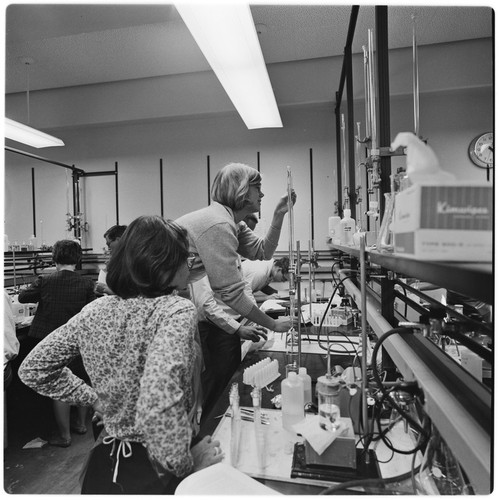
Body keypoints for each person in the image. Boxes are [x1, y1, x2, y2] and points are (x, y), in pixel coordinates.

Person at [19, 216, 223, 494]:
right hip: (156, 470)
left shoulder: (95, 311)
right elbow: (160, 394)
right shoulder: (175, 310)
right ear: (163, 264)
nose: (189, 265)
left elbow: (34, 368)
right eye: (185, 257)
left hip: (106, 465)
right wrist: (187, 467)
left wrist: (93, 399)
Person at [176, 162, 297, 416]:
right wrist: (273, 325)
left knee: (193, 382)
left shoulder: (233, 223)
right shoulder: (218, 224)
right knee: (185, 385)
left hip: (176, 299)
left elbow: (262, 251)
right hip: (161, 299)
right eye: (257, 188)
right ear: (241, 190)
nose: (261, 194)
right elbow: (230, 292)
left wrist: (279, 215)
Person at [18, 240, 96, 447]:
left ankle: (64, 435)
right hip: (77, 339)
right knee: (80, 379)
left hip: (48, 337)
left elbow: (23, 297)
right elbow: (90, 310)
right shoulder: (87, 283)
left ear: (54, 258)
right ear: (77, 259)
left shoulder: (45, 279)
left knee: (59, 381)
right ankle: (80, 424)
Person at [95, 224, 127, 295]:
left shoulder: (133, 261)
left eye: (109, 244)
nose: (109, 249)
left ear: (119, 240)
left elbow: (130, 295)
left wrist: (106, 289)